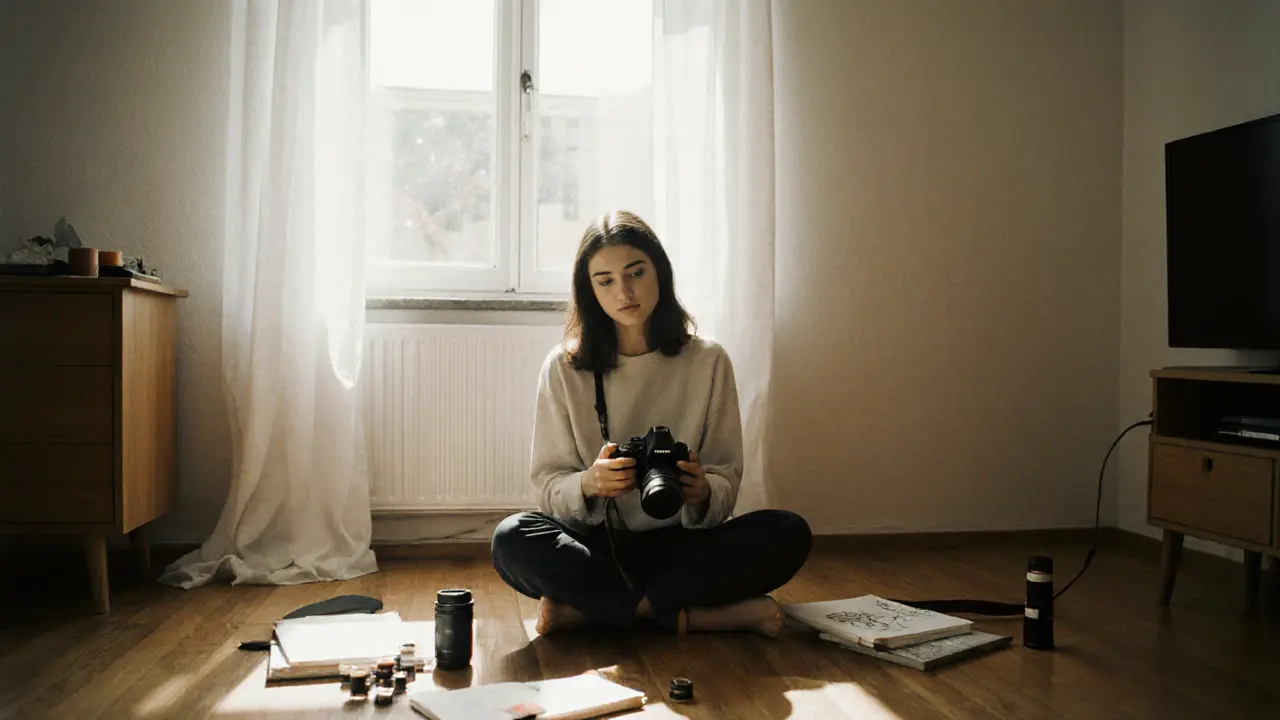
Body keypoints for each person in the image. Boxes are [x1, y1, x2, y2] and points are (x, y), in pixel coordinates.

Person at [490, 210, 812, 637]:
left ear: (659, 271)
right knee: (512, 538)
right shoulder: (564, 367)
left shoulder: (708, 361)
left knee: (787, 532)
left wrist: (700, 491)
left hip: (681, 544)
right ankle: (688, 614)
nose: (624, 292)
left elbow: (725, 479)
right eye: (605, 281)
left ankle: (598, 610)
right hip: (599, 545)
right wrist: (590, 483)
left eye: (635, 273)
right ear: (590, 291)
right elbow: (548, 485)